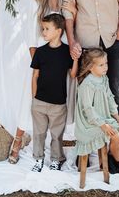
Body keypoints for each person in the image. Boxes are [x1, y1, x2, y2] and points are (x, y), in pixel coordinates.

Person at [8, 0, 76, 164]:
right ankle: (17, 141)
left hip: (61, 54)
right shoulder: (37, 0)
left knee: (57, 98)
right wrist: (37, 58)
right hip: (42, 54)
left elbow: (71, 24)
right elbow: (30, 32)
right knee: (30, 97)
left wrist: (73, 10)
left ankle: (58, 146)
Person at [31, 13, 79, 172]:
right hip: (39, 102)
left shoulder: (66, 52)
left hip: (59, 103)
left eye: (46, 29)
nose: (43, 32)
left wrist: (76, 59)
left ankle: (56, 159)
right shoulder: (40, 52)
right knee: (39, 133)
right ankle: (38, 159)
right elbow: (35, 76)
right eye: (42, 29)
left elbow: (72, 75)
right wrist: (34, 99)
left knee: (57, 135)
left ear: (58, 31)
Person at [75, 48, 119, 175]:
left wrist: (117, 117)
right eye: (101, 65)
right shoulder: (87, 84)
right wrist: (102, 125)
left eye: (106, 63)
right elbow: (88, 109)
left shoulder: (104, 79)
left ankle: (110, 157)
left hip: (103, 117)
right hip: (89, 123)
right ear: (90, 67)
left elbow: (110, 98)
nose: (105, 67)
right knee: (115, 135)